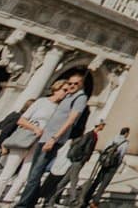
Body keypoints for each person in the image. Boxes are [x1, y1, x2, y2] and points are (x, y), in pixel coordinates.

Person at [0, 81, 68, 203]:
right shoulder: (41, 102)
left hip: (41, 142)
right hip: (26, 137)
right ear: (56, 88)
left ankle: (10, 197)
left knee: (26, 172)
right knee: (9, 169)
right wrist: (35, 128)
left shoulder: (61, 109)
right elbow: (21, 120)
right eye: (64, 90)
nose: (66, 93)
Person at [15, 73, 88, 208]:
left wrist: (54, 138)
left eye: (76, 83)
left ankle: (22, 205)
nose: (72, 86)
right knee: (33, 174)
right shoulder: (68, 97)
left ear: (81, 84)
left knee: (35, 174)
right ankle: (30, 202)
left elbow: (71, 120)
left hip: (53, 139)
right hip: (45, 137)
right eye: (70, 83)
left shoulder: (80, 98)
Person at [43, 119, 105, 207]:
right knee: (74, 179)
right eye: (103, 125)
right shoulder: (89, 135)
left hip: (80, 161)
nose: (103, 126)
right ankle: (74, 199)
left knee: (63, 182)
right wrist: (80, 158)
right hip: (78, 161)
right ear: (99, 125)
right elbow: (80, 146)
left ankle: (50, 200)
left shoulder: (94, 135)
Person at [79, 126, 129, 207]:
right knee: (104, 184)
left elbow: (105, 148)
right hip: (113, 165)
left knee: (96, 181)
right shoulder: (125, 143)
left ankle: (86, 199)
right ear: (126, 133)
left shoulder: (113, 138)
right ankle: (95, 202)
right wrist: (117, 165)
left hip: (105, 163)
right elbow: (121, 155)